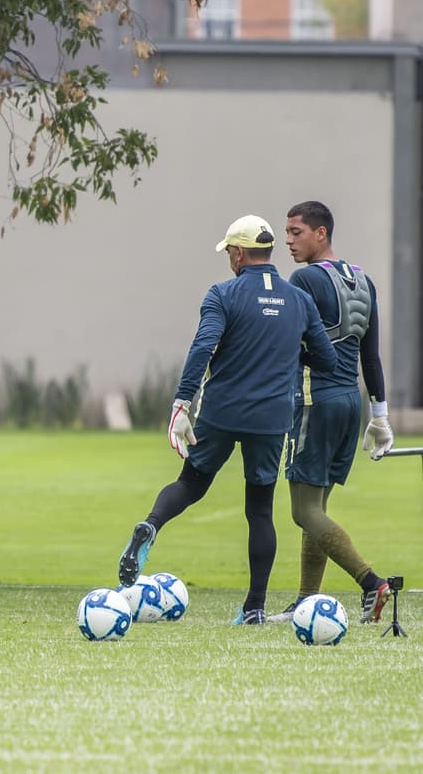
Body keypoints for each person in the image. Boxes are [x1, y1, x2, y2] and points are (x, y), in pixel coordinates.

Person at [116, 215, 337, 625]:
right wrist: (288, 354)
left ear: (238, 253)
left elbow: (204, 346)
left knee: (190, 484)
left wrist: (182, 402)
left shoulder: (223, 293)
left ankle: (151, 524)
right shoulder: (299, 299)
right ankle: (254, 608)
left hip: (221, 410)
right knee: (260, 511)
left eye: (229, 253)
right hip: (272, 418)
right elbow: (326, 358)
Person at [267, 201, 394, 624]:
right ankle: (306, 602)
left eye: (295, 232)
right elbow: (370, 357)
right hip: (351, 404)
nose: (287, 240)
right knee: (316, 505)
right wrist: (380, 415)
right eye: (286, 232)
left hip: (313, 401)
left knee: (302, 510)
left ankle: (371, 582)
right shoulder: (364, 281)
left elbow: (287, 340)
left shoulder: (303, 279)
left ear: (321, 233)